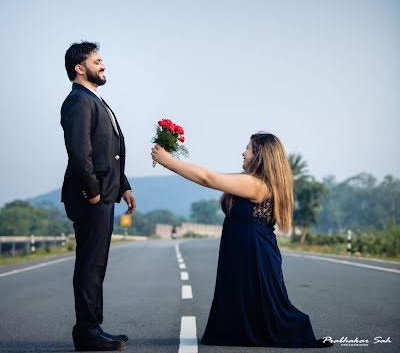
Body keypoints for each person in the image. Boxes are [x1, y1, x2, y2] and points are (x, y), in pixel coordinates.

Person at [151, 132, 333, 348]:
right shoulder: (251, 181)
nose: (243, 152)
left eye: (248, 148)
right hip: (245, 247)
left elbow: (208, 178)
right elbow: (210, 175)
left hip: (253, 250)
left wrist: (168, 161)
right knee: (245, 295)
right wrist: (172, 162)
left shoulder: (256, 185)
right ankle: (238, 333)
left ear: (260, 155)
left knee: (261, 301)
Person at [61, 41, 136, 352]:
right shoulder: (78, 101)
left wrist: (124, 186)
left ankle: (93, 327)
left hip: (106, 194)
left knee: (96, 265)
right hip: (91, 198)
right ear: (81, 68)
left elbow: (110, 152)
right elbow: (80, 155)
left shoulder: (96, 100)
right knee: (90, 265)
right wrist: (93, 194)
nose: (104, 65)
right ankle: (87, 332)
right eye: (98, 61)